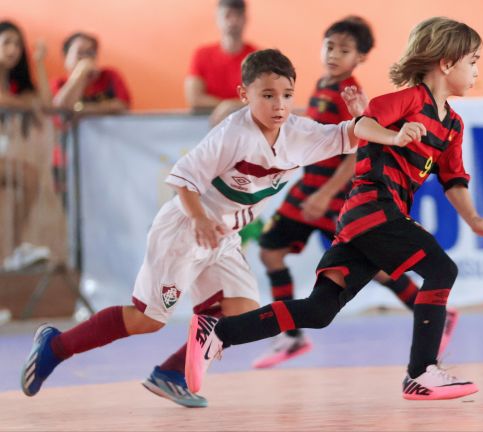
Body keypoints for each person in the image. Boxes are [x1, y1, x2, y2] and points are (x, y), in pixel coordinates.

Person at [185, 17, 483, 401]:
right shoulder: (405, 100)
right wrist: (394, 133)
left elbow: (453, 178)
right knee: (442, 269)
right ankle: (421, 372)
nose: (476, 70)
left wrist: (473, 219)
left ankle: (219, 331)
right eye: (473, 60)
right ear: (446, 62)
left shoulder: (453, 125)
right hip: (375, 209)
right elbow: (363, 127)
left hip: (365, 223)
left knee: (319, 311)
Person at [20, 49, 367, 407]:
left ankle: (171, 373)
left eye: (286, 95)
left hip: (223, 237)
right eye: (267, 95)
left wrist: (362, 116)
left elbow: (349, 135)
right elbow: (183, 180)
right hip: (187, 228)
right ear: (243, 95)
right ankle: (56, 346)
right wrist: (201, 220)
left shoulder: (297, 131)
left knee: (242, 314)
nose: (279, 104)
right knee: (147, 319)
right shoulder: (233, 133)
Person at [253, 16, 458, 369]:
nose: (333, 55)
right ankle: (291, 337)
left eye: (344, 50)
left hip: (332, 197)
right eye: (330, 46)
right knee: (271, 250)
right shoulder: (321, 83)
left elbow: (359, 147)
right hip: (307, 190)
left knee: (369, 264)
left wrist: (326, 193)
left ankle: (431, 312)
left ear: (360, 57)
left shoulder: (348, 91)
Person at [0, 20, 51, 270]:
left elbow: (44, 106)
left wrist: (40, 62)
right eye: (7, 42)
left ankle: (13, 250)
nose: (13, 49)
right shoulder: (12, 95)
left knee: (29, 176)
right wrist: (23, 104)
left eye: (18, 44)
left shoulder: (16, 86)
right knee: (27, 175)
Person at [185, 0, 257, 126]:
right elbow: (194, 98)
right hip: (209, 127)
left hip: (247, 127)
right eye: (227, 15)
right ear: (217, 18)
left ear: (245, 18)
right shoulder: (202, 54)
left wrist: (230, 105)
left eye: (238, 15)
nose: (233, 21)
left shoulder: (257, 57)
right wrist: (225, 105)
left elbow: (264, 98)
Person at [51, 31, 131, 114]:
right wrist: (80, 73)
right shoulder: (58, 83)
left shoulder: (109, 76)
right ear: (66, 56)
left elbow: (123, 105)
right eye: (80, 52)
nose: (86, 57)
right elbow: (60, 108)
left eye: (90, 53)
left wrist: (82, 109)